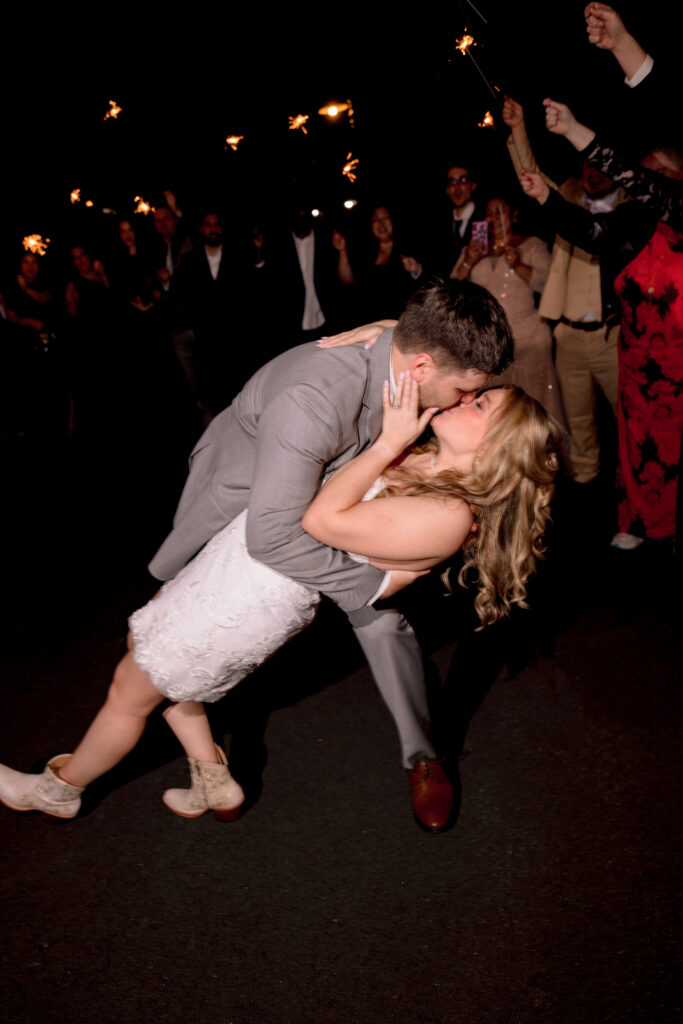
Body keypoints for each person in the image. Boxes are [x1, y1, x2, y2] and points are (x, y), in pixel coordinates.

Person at [1, 281, 514, 834]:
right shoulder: (317, 396)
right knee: (145, 648)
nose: (464, 399)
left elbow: (296, 532)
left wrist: (370, 582)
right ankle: (209, 776)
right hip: (243, 507)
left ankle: (61, 790)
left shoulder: (416, 383)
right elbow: (272, 532)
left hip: (265, 566)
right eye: (466, 389)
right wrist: (367, 581)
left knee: (139, 676)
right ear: (419, 365)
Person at [520, 99, 683, 550]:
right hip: (638, 359)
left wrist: (577, 131)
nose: (642, 183)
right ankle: (639, 521)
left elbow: (629, 177)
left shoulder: (680, 214)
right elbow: (591, 231)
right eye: (640, 174)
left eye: (653, 174)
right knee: (636, 448)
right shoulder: (634, 219)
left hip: (681, 361)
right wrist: (546, 199)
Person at [502, 94, 622, 484]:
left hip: (613, 335)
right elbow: (531, 176)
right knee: (579, 425)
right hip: (569, 335)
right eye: (587, 164)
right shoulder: (569, 197)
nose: (592, 171)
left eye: (600, 163)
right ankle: (587, 491)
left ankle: (639, 496)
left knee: (629, 419)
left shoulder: (632, 210)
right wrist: (518, 128)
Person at [451, 196, 565, 425]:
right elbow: (452, 292)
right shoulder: (473, 251)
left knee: (537, 404)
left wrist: (518, 265)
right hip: (489, 344)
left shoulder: (530, 244)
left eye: (500, 212)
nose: (494, 219)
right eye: (489, 214)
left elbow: (549, 286)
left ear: (513, 216)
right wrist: (468, 262)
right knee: (497, 411)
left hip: (530, 338)